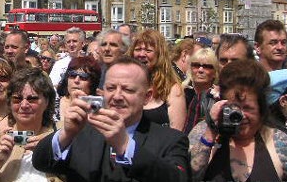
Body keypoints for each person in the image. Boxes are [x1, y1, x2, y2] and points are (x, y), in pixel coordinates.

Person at [32, 57, 190, 181]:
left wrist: (125, 146)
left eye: (127, 89)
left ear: (147, 96)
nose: (117, 96)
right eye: (111, 88)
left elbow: (179, 178)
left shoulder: (171, 140)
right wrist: (66, 133)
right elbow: (41, 161)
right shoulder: (80, 133)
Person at [188, 59, 287, 182]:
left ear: (261, 109)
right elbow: (187, 177)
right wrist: (210, 132)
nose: (240, 115)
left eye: (248, 108)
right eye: (234, 107)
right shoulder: (203, 132)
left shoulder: (278, 141)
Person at [0, 67, 61, 182]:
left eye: (32, 99)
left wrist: (52, 151)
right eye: (17, 99)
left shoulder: (61, 138)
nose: (24, 105)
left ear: (47, 101)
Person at [129, 29, 186, 131]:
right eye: (138, 49)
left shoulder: (172, 89)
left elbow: (176, 134)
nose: (141, 54)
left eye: (148, 50)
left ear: (159, 55)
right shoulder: (125, 84)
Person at [181, 48, 219, 134]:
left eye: (207, 66)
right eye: (196, 65)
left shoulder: (217, 97)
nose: (200, 70)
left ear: (214, 72)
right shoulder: (181, 93)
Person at [55, 56, 101, 121]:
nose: (76, 80)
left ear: (92, 82)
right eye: (72, 75)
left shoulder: (97, 109)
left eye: (83, 77)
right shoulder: (51, 104)